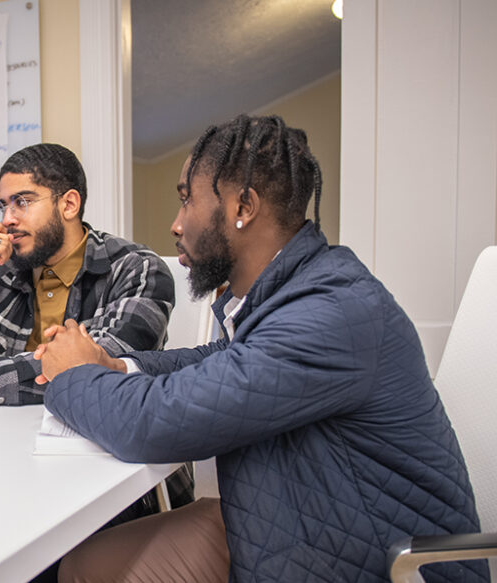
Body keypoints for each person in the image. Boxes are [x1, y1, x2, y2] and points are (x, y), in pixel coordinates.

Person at [36, 115, 487, 582]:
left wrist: (74, 373)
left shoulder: (333, 310)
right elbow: (217, 361)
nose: (175, 223)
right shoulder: (293, 294)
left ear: (243, 207)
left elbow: (156, 423)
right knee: (81, 564)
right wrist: (114, 364)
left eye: (187, 198)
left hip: (373, 561)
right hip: (302, 518)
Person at [0, 143, 175, 409]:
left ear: (69, 205)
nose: (7, 219)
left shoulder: (137, 270)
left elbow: (99, 365)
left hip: (94, 437)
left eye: (22, 202)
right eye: (3, 205)